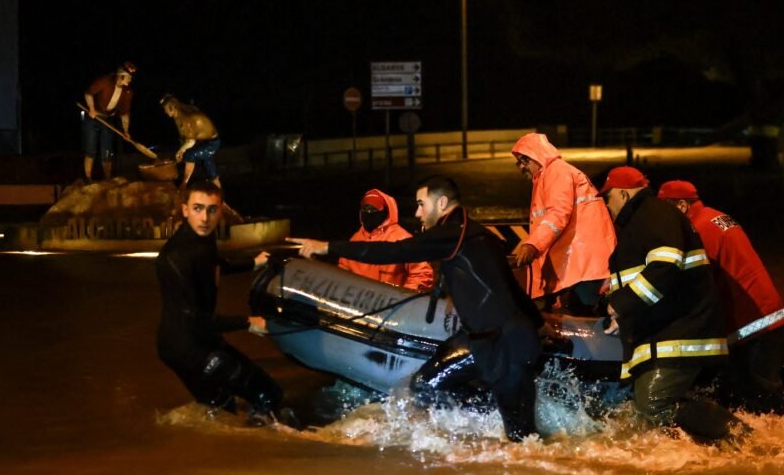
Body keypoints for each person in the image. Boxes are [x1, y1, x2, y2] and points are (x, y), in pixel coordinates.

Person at [290, 175, 544, 442]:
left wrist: (327, 247)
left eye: (422, 204)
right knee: (425, 384)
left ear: (442, 203)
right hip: (483, 337)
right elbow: (512, 289)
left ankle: (491, 433)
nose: (417, 213)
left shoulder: (452, 234)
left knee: (523, 440)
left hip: (503, 343)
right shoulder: (477, 234)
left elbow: (394, 252)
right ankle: (478, 431)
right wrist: (539, 323)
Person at [598, 166, 742, 443]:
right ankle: (713, 453)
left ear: (624, 194)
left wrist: (623, 305)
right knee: (647, 411)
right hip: (667, 333)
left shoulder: (652, 215)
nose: (607, 204)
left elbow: (665, 267)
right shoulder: (649, 219)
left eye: (609, 197)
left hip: (678, 334)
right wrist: (621, 316)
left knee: (653, 404)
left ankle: (742, 437)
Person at [155, 179, 291, 424]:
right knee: (267, 395)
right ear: (184, 209)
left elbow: (213, 266)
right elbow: (193, 318)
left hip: (193, 340)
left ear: (220, 211)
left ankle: (227, 450)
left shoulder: (201, 239)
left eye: (212, 210)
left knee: (221, 410)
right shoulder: (175, 256)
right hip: (186, 345)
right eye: (197, 208)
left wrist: (252, 263)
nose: (205, 218)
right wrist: (248, 322)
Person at [657, 179, 784, 414]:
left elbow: (692, 282)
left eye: (665, 211)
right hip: (766, 317)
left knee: (759, 403)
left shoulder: (698, 229)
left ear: (681, 206)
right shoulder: (715, 217)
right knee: (758, 403)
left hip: (752, 325)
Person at [510, 133, 616, 312]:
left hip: (584, 264)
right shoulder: (550, 175)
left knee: (586, 317)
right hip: (582, 262)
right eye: (519, 162)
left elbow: (558, 214)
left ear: (535, 156)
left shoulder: (557, 172)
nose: (521, 167)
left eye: (523, 161)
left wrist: (532, 245)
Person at [337, 188, 435, 291]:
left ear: (385, 211)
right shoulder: (355, 240)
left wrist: (401, 297)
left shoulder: (401, 238)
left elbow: (422, 273)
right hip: (360, 302)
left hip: (389, 303)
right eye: (365, 208)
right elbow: (343, 272)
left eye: (373, 209)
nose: (369, 212)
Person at [82, 61, 136, 180]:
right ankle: (88, 179)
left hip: (108, 119)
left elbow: (124, 113)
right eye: (129, 77)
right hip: (93, 117)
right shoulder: (105, 81)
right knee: (90, 150)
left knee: (107, 151)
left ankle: (107, 179)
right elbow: (88, 93)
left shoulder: (127, 92)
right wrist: (91, 108)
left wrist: (126, 131)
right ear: (121, 75)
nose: (130, 80)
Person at [160, 94, 223, 187]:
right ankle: (219, 190)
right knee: (208, 165)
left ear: (172, 108)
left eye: (165, 108)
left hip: (211, 142)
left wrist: (181, 151)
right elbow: (186, 138)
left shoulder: (186, 117)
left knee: (190, 155)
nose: (164, 111)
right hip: (203, 141)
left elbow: (190, 141)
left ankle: (184, 184)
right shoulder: (178, 116)